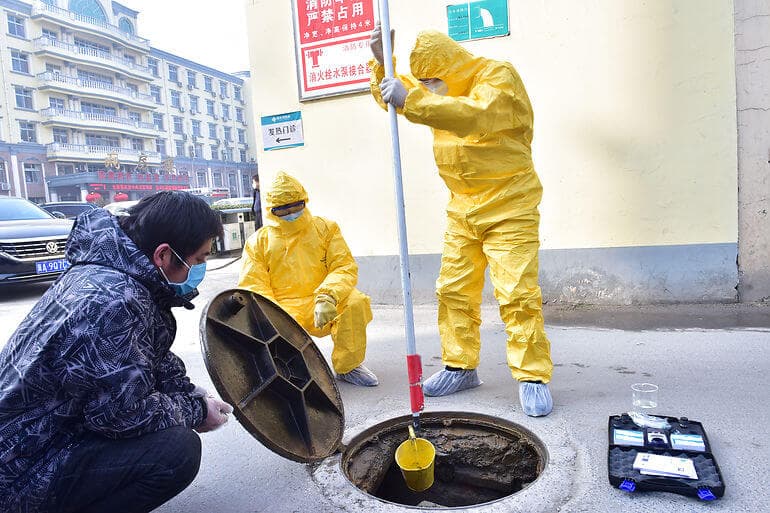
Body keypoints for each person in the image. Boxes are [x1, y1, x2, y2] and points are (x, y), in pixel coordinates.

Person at [0, 192, 233, 513]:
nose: (201, 268)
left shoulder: (110, 273)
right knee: (176, 451)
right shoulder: (115, 302)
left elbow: (146, 356)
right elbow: (119, 415)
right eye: (198, 260)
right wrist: (194, 412)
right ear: (163, 255)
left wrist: (192, 394)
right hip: (19, 469)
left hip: (32, 441)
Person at [369, 25, 554, 416]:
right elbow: (397, 95)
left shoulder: (497, 76)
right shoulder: (439, 90)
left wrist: (413, 100)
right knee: (453, 290)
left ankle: (532, 376)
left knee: (517, 294)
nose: (428, 88)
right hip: (462, 207)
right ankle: (460, 366)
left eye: (434, 80)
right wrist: (383, 63)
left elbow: (475, 115)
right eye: (424, 83)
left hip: (510, 204)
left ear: (452, 68)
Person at [238, 171, 378, 387]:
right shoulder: (258, 242)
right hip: (284, 308)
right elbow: (254, 286)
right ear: (271, 210)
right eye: (283, 209)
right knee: (263, 318)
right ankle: (290, 372)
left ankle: (348, 366)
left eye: (295, 206)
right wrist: (273, 313)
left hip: (322, 301)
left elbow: (343, 266)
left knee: (355, 303)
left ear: (304, 201)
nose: (290, 213)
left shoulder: (326, 228)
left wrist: (328, 296)